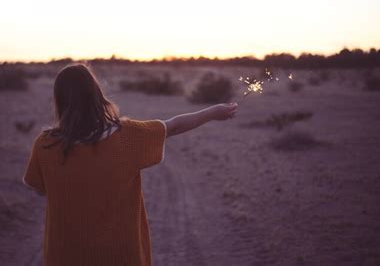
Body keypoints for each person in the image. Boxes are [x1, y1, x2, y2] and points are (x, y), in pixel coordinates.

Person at [23, 63, 238, 266]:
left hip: (66, 255)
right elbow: (172, 126)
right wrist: (213, 112)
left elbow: (39, 189)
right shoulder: (126, 137)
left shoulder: (45, 145)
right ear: (96, 96)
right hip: (121, 255)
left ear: (60, 100)